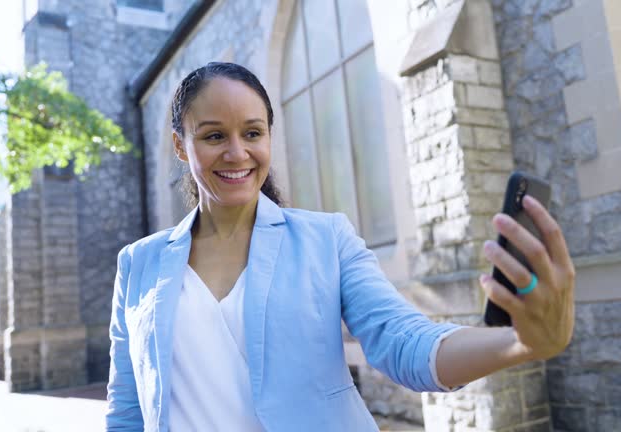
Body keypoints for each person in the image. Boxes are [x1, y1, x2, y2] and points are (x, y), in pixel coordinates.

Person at [105, 62, 576, 431]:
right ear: (181, 146)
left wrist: (520, 343)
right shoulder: (138, 263)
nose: (236, 152)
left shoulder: (325, 238)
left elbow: (402, 341)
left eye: (252, 133)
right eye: (213, 135)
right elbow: (127, 410)